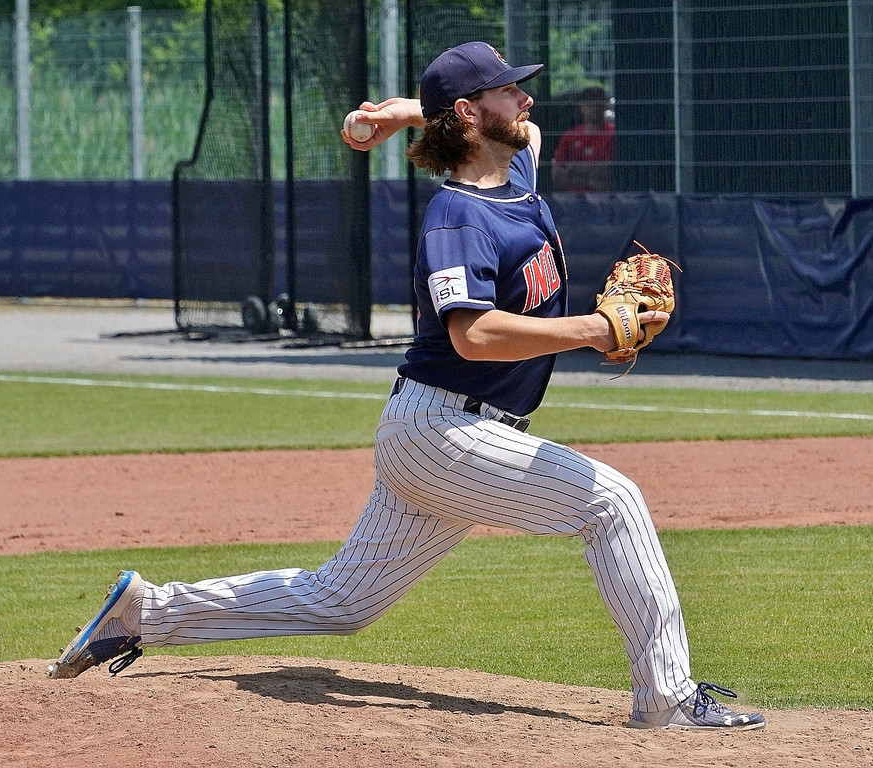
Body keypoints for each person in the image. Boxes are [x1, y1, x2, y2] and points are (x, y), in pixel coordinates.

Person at [48, 41, 765, 732]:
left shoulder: (516, 170)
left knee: (342, 600)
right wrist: (593, 330)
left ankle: (146, 612)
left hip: (453, 432)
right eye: (507, 90)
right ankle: (667, 699)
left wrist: (400, 113)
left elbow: (514, 130)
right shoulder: (457, 218)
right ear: (469, 113)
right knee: (612, 502)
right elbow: (472, 334)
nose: (526, 99)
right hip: (442, 432)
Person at [551, 85, 616, 192]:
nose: (595, 108)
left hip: (603, 198)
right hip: (574, 198)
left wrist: (573, 169)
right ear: (582, 107)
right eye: (590, 104)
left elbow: (608, 172)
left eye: (599, 104)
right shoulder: (570, 136)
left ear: (605, 106)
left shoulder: (613, 134)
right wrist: (590, 180)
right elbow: (557, 175)